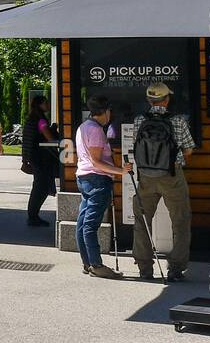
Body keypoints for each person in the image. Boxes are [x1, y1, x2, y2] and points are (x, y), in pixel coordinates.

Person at [130, 82, 194, 282]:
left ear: (149, 100)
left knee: (142, 221)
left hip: (146, 177)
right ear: (167, 99)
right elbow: (188, 149)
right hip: (171, 175)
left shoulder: (140, 120)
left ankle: (144, 268)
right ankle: (175, 269)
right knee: (180, 221)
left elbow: (136, 145)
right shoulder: (177, 120)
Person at [74, 94, 131, 279]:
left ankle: (87, 262)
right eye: (109, 111)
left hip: (83, 178)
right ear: (105, 112)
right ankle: (96, 264)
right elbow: (97, 162)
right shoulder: (96, 131)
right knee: (90, 225)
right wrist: (119, 171)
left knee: (83, 223)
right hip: (97, 179)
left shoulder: (83, 127)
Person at [22, 95, 60, 227]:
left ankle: (33, 215)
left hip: (33, 156)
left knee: (38, 185)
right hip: (40, 157)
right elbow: (49, 138)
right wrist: (53, 131)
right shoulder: (41, 120)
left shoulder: (31, 118)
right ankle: (33, 216)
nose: (48, 105)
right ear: (40, 105)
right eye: (46, 103)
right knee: (41, 187)